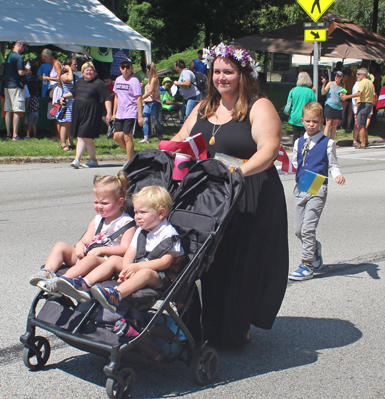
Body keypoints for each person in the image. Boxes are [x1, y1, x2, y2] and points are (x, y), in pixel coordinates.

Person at [170, 42, 288, 348]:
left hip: (248, 192)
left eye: (229, 71)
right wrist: (164, 151)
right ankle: (209, 324)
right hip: (210, 193)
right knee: (211, 260)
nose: (221, 77)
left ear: (243, 74)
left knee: (242, 263)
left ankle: (236, 327)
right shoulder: (204, 106)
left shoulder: (258, 105)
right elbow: (181, 139)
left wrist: (238, 172)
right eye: (217, 71)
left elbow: (269, 150)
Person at [56, 186, 184, 314]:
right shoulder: (141, 230)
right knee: (114, 259)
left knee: (146, 272)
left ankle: (116, 295)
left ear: (161, 213)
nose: (137, 217)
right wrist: (126, 268)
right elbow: (130, 251)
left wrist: (138, 267)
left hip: (162, 276)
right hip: (138, 265)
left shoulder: (168, 234)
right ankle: (84, 284)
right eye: (136, 212)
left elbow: (164, 262)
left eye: (142, 212)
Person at [29, 172, 135, 295]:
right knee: (60, 246)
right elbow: (85, 240)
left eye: (104, 203)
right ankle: (47, 271)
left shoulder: (126, 223)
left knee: (90, 259)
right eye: (96, 202)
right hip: (88, 255)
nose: (99, 207)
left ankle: (61, 282)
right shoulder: (98, 219)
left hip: (105, 261)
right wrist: (80, 245)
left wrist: (102, 250)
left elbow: (125, 248)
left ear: (120, 202)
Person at [289, 102, 346, 281]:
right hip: (301, 186)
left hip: (317, 184)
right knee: (298, 230)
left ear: (321, 121)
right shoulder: (298, 142)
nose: (311, 124)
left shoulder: (328, 143)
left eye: (315, 121)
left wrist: (337, 175)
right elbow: (295, 164)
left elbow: (333, 164)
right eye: (308, 121)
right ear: (302, 121)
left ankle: (306, 265)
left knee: (308, 229)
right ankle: (314, 249)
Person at [59, 62, 112, 168]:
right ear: (82, 73)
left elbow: (107, 98)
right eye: (86, 70)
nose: (89, 72)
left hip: (92, 113)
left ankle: (76, 160)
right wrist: (64, 97)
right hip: (79, 113)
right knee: (87, 137)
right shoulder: (80, 82)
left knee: (82, 135)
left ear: (95, 72)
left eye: (91, 70)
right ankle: (93, 160)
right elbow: (74, 93)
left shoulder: (99, 83)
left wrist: (109, 112)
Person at [111, 58, 145, 162]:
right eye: (123, 67)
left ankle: (129, 162)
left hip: (130, 112)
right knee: (116, 136)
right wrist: (114, 113)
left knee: (127, 137)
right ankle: (133, 154)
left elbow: (139, 98)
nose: (125, 69)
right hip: (120, 113)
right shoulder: (118, 79)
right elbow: (116, 96)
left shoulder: (134, 81)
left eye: (127, 67)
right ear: (120, 68)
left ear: (131, 68)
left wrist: (140, 116)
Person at [4, 40, 32, 140]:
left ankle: (8, 134)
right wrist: (27, 70)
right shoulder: (19, 57)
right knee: (16, 110)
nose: (23, 50)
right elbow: (20, 72)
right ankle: (15, 135)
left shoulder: (9, 55)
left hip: (7, 85)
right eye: (23, 48)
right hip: (16, 85)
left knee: (8, 110)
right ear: (20, 46)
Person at [341, 68, 374, 149]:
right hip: (369, 104)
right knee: (364, 125)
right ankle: (365, 141)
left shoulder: (362, 82)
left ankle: (362, 143)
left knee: (361, 124)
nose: (357, 75)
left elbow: (359, 93)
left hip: (363, 104)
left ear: (363, 75)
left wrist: (347, 96)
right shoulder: (370, 82)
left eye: (358, 74)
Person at [286, 71, 316, 143]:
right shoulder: (310, 91)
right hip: (306, 117)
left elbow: (288, 103)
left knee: (296, 135)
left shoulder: (293, 90)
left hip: (294, 117)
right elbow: (314, 105)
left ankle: (295, 150)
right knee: (305, 135)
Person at [58, 57, 78, 151]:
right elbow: (69, 79)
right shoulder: (64, 75)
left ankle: (71, 142)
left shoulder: (76, 76)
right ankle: (63, 144)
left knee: (71, 123)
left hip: (74, 101)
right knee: (65, 123)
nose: (76, 66)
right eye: (74, 64)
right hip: (67, 102)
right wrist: (69, 69)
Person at [140, 62, 162, 143]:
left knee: (154, 120)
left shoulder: (154, 79)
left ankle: (160, 136)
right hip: (147, 102)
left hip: (154, 102)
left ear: (148, 70)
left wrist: (140, 98)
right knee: (144, 119)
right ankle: (146, 138)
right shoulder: (149, 79)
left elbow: (150, 92)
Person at [173, 59, 200, 123]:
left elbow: (187, 83)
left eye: (175, 66)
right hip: (187, 97)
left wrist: (177, 83)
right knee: (184, 115)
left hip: (192, 96)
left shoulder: (186, 72)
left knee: (188, 116)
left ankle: (188, 131)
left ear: (177, 67)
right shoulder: (184, 73)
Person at [321, 71, 344, 140]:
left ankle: (332, 141)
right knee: (328, 123)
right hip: (329, 105)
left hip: (338, 106)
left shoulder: (342, 86)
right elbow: (323, 92)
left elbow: (343, 97)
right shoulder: (331, 83)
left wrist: (342, 95)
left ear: (341, 77)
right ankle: (325, 140)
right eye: (336, 75)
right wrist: (324, 84)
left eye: (338, 76)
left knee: (335, 124)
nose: (336, 77)